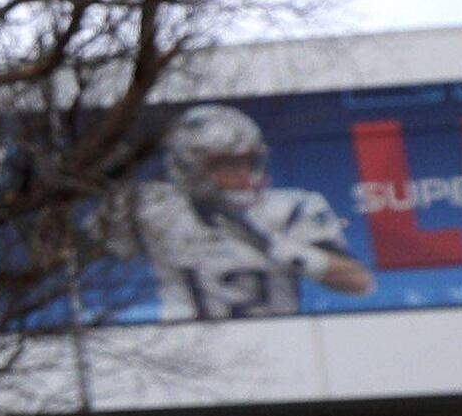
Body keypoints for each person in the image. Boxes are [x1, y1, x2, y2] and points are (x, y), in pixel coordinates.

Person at [138, 102, 376, 319]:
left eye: (250, 162)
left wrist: (272, 245)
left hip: (280, 338)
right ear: (191, 168)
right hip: (185, 348)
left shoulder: (290, 208)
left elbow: (359, 282)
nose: (247, 175)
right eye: (230, 164)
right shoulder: (156, 211)